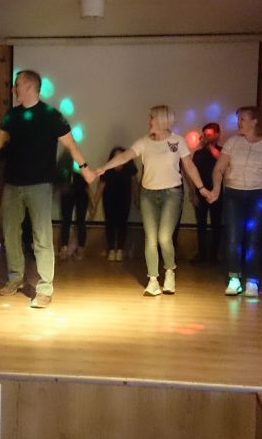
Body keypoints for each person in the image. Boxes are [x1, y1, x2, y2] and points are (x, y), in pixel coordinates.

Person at [0, 69, 96, 308]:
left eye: (17, 84)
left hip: (39, 185)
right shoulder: (12, 115)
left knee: (41, 236)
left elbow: (71, 145)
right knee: (10, 232)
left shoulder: (51, 115)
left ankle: (45, 288)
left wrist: (85, 169)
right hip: (12, 184)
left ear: (29, 86)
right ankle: (15, 278)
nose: (14, 89)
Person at [96, 105, 207, 296]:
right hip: (148, 194)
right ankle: (153, 280)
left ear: (163, 120)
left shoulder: (177, 141)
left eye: (152, 118)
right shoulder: (144, 142)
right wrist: (104, 168)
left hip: (172, 194)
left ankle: (170, 272)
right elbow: (125, 156)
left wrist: (202, 189)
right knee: (151, 239)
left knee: (164, 237)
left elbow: (189, 166)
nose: (149, 122)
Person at [206, 106, 262, 298]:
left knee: (254, 238)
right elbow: (219, 168)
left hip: (260, 195)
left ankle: (252, 281)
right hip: (234, 195)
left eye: (242, 119)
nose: (239, 123)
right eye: (239, 119)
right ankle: (234, 279)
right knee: (233, 237)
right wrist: (217, 188)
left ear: (255, 121)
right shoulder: (233, 142)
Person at [91, 146, 138, 261]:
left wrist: (137, 199)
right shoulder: (107, 170)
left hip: (124, 200)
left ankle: (120, 250)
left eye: (120, 157)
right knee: (110, 224)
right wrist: (94, 206)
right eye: (115, 157)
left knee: (122, 224)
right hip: (109, 201)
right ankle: (111, 249)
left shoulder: (129, 169)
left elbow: (135, 184)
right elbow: (100, 188)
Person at [189, 122, 222, 264]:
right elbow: (192, 173)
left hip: (217, 192)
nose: (206, 137)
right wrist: (193, 193)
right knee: (200, 224)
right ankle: (201, 255)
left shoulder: (222, 151)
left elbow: (222, 162)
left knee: (216, 224)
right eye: (205, 135)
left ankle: (214, 256)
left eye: (209, 135)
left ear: (217, 135)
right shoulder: (198, 154)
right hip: (201, 192)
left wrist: (210, 146)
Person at [56, 149, 94, 261]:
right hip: (67, 195)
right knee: (66, 221)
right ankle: (64, 248)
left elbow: (86, 186)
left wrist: (93, 203)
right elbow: (57, 185)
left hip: (80, 194)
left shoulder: (80, 168)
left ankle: (80, 249)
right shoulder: (62, 170)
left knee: (79, 221)